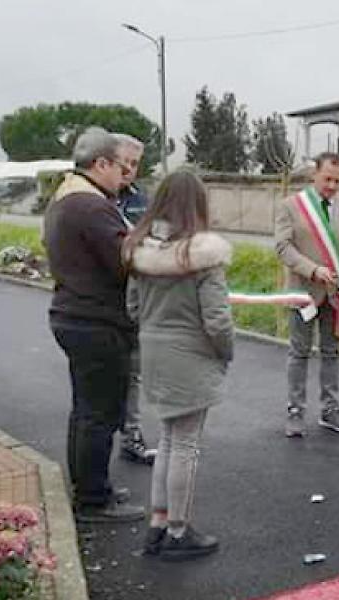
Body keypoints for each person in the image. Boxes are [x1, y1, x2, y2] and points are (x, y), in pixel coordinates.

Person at [125, 170, 233, 561]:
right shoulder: (204, 257)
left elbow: (132, 308)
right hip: (191, 356)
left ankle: (158, 523)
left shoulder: (140, 251)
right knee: (186, 443)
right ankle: (178, 530)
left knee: (168, 440)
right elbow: (217, 320)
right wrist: (225, 351)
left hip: (154, 352)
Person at [44, 128, 143, 523]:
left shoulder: (66, 198)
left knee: (85, 411)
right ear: (100, 163)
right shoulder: (91, 206)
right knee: (99, 413)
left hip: (76, 315)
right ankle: (93, 500)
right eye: (121, 167)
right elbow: (127, 260)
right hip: (96, 320)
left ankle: (89, 486)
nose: (125, 176)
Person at [275, 152, 339, 438]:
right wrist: (312, 270)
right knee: (298, 353)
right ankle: (295, 410)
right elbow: (283, 247)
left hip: (336, 295)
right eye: (327, 179)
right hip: (304, 292)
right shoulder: (291, 206)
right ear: (314, 175)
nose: (332, 186)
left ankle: (330, 408)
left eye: (338, 181)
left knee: (331, 353)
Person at [113, 135, 156, 466]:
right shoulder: (88, 197)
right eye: (124, 161)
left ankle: (132, 435)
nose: (128, 169)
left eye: (135, 164)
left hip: (136, 299)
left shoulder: (142, 200)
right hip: (100, 300)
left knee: (133, 373)